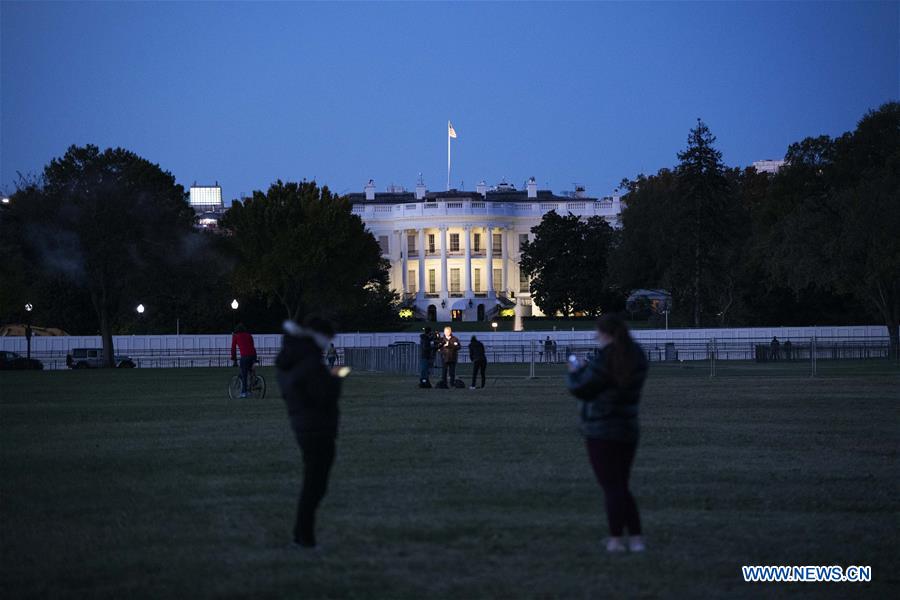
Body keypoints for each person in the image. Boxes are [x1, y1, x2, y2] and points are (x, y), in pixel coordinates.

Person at [567, 314, 649, 553]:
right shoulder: (637, 356)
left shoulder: (605, 359)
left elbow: (581, 388)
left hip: (601, 429)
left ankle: (615, 539)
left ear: (605, 334)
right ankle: (636, 539)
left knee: (612, 487)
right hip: (628, 428)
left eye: (597, 334)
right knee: (622, 485)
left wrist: (575, 371)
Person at [276, 316, 343, 549]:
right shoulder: (310, 359)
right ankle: (304, 535)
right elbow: (323, 395)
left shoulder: (291, 356)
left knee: (313, 482)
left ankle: (301, 533)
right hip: (316, 425)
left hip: (302, 423)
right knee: (315, 484)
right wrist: (335, 379)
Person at [230, 324, 258, 398]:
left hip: (244, 357)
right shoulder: (249, 335)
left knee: (244, 374)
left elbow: (233, 348)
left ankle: (244, 392)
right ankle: (254, 383)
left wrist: (233, 358)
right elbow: (253, 347)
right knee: (251, 371)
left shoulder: (236, 336)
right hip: (252, 356)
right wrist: (255, 359)